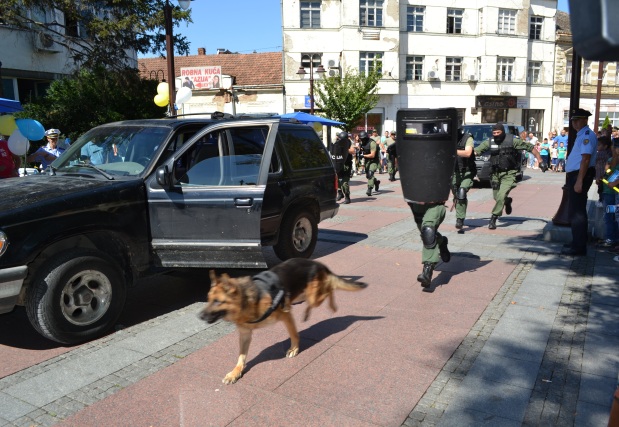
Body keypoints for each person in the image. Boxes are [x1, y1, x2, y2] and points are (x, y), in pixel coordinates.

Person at [474, 123, 546, 229]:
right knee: (497, 197)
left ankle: (494, 217)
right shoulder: (489, 141)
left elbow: (530, 148)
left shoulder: (513, 141)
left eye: (498, 133)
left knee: (501, 196)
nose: (496, 135)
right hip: (495, 174)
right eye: (494, 133)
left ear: (503, 132)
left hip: (509, 173)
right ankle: (507, 201)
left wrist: (540, 161)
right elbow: (475, 151)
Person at [561, 108, 598, 256]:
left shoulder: (587, 135)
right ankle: (577, 242)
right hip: (576, 175)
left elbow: (586, 158)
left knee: (578, 212)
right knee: (575, 210)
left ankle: (579, 247)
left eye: (577, 120)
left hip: (580, 175)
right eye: (573, 120)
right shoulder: (581, 134)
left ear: (584, 120)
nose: (574, 123)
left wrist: (579, 181)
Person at [452, 128, 476, 230]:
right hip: (454, 171)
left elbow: (467, 153)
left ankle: (460, 219)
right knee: (457, 193)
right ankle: (460, 210)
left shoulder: (467, 138)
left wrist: (452, 150)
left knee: (461, 192)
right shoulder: (448, 139)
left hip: (467, 171)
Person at [599, 136, 618, 247]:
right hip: (609, 191)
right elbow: (611, 175)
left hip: (612, 193)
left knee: (611, 216)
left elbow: (614, 177)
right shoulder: (611, 160)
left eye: (614, 146)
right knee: (610, 215)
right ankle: (611, 238)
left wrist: (608, 171)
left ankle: (611, 239)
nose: (613, 149)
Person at [329, 131, 354, 204]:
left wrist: (344, 150)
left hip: (346, 165)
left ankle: (347, 196)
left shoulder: (349, 142)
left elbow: (353, 150)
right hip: (337, 164)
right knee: (337, 180)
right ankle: (340, 193)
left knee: (344, 182)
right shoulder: (337, 142)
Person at [359, 130, 381, 196]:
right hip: (367, 161)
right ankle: (376, 182)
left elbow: (372, 155)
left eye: (362, 139)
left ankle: (369, 189)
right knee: (368, 175)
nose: (362, 140)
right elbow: (362, 150)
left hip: (374, 160)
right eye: (361, 139)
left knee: (370, 173)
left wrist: (363, 155)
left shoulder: (372, 143)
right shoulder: (362, 143)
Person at [595, 137, 612, 206]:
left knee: (601, 189)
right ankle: (603, 200)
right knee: (604, 189)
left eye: (599, 145)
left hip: (601, 174)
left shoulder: (600, 153)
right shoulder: (609, 153)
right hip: (606, 175)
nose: (597, 146)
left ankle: (601, 201)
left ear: (605, 146)